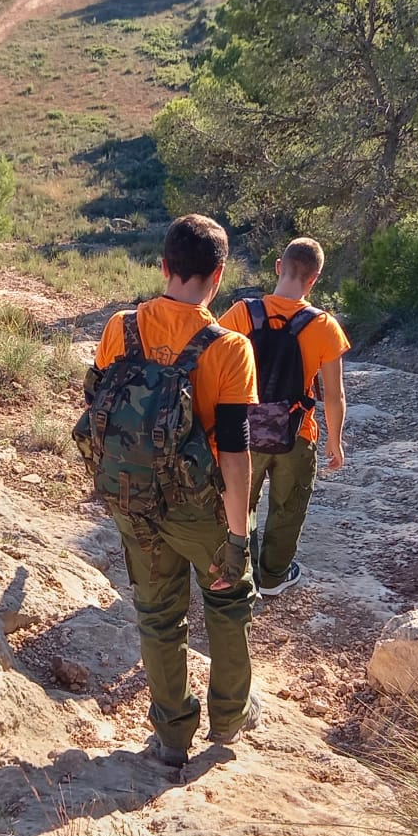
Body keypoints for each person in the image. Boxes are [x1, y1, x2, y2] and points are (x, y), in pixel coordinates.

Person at [79, 214, 260, 769]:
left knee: (158, 615)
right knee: (228, 601)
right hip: (198, 508)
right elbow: (234, 453)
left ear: (164, 266)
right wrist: (238, 536)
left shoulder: (121, 327)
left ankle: (172, 738)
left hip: (132, 497)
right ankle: (228, 719)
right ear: (219, 274)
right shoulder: (230, 347)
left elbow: (97, 408)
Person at [220, 237, 350, 598]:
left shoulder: (242, 314)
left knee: (240, 501)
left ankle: (241, 570)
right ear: (315, 278)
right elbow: (334, 395)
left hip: (243, 430)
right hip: (297, 433)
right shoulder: (324, 326)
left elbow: (213, 365)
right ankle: (274, 576)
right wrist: (335, 440)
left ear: (279, 266)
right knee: (288, 507)